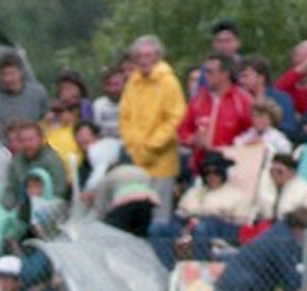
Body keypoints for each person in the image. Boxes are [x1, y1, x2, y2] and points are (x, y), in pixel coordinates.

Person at [118, 35, 187, 223]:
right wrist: (133, 146)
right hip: (136, 160)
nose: (143, 60)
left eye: (148, 55)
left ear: (157, 56)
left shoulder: (169, 82)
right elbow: (124, 116)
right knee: (137, 216)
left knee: (159, 216)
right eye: (139, 56)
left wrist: (152, 146)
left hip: (161, 162)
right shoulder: (133, 81)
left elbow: (176, 119)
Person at [148, 150, 252, 268]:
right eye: (207, 172)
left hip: (216, 233)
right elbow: (179, 216)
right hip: (186, 229)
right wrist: (184, 229)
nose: (211, 175)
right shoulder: (194, 192)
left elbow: (237, 229)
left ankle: (197, 268)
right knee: (157, 228)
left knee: (201, 228)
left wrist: (208, 220)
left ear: (222, 172)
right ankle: (168, 268)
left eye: (216, 171)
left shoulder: (237, 195)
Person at [177, 52, 253, 175]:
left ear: (225, 74)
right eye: (205, 72)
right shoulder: (198, 100)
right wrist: (193, 140)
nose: (205, 76)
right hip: (201, 168)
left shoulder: (242, 101)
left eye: (210, 72)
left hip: (232, 169)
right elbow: (182, 131)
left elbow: (254, 133)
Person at [1, 119, 68, 212]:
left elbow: (59, 191)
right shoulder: (17, 161)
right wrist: (8, 209)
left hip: (48, 211)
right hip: (21, 211)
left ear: (41, 139)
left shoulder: (52, 160)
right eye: (23, 140)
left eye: (31, 140)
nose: (27, 144)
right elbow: (11, 189)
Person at [0, 51, 49, 133]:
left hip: (32, 142)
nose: (8, 79)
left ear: (21, 72)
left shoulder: (38, 93)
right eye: (4, 74)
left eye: (12, 74)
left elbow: (47, 121)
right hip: (2, 143)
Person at [237, 55, 299, 141]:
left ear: (261, 78)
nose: (241, 81)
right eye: (240, 77)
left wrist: (267, 125)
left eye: (246, 76)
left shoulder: (280, 98)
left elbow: (290, 128)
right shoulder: (238, 100)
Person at [92, 65, 126, 139]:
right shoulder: (98, 105)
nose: (112, 89)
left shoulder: (131, 103)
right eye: (108, 84)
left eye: (116, 84)